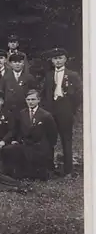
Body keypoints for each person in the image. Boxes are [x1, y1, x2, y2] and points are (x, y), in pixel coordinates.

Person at [42, 48, 82, 176]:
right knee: (49, 138)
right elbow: (44, 93)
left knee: (66, 139)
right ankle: (49, 167)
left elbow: (79, 94)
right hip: (50, 110)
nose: (58, 61)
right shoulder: (48, 75)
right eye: (55, 58)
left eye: (60, 58)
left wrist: (71, 108)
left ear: (65, 59)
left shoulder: (72, 75)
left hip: (65, 110)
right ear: (52, 61)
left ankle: (68, 169)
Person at [2, 89, 58, 180]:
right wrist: (16, 140)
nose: (30, 102)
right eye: (28, 100)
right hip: (25, 145)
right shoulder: (22, 113)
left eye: (33, 99)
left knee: (38, 175)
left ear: (38, 100)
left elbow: (53, 135)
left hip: (39, 147)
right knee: (8, 150)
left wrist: (47, 147)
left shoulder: (46, 115)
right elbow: (17, 130)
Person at [3, 53, 37, 117]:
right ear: (10, 64)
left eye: (20, 62)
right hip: (9, 111)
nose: (17, 64)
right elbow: (3, 93)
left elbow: (33, 93)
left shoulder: (29, 77)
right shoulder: (5, 77)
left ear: (23, 63)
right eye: (15, 62)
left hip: (24, 110)